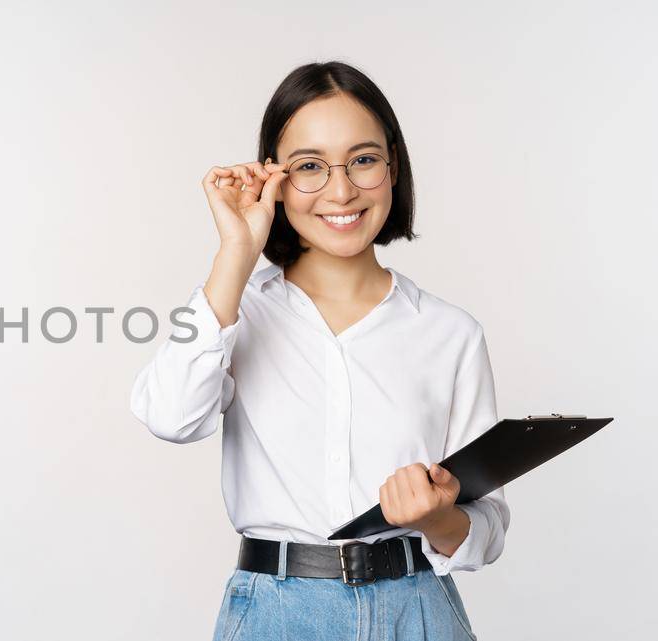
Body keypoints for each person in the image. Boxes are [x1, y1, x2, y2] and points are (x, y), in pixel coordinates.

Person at [130, 61, 507, 641]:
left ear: (393, 166)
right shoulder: (234, 308)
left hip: (419, 611)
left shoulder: (450, 332)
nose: (340, 190)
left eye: (363, 159)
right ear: (274, 179)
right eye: (309, 167)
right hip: (276, 614)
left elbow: (486, 532)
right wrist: (237, 251)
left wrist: (437, 516)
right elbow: (169, 416)